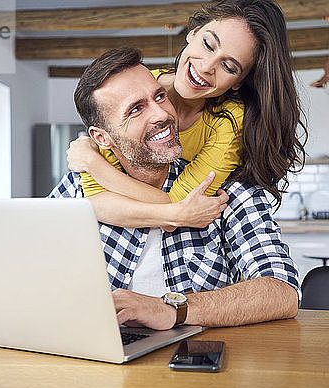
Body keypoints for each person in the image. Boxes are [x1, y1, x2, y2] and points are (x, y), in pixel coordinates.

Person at [50, 48, 299, 330]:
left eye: (159, 96)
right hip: (98, 361)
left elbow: (283, 293)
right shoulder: (75, 189)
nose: (163, 114)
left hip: (197, 363)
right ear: (102, 138)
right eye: (136, 109)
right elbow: (30, 269)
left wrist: (171, 309)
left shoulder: (227, 190)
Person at [66, 0, 307, 231]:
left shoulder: (229, 122)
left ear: (238, 82)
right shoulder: (139, 83)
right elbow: (96, 201)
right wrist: (177, 215)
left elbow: (179, 200)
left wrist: (94, 163)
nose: (205, 66)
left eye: (229, 67)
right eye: (208, 44)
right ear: (193, 33)